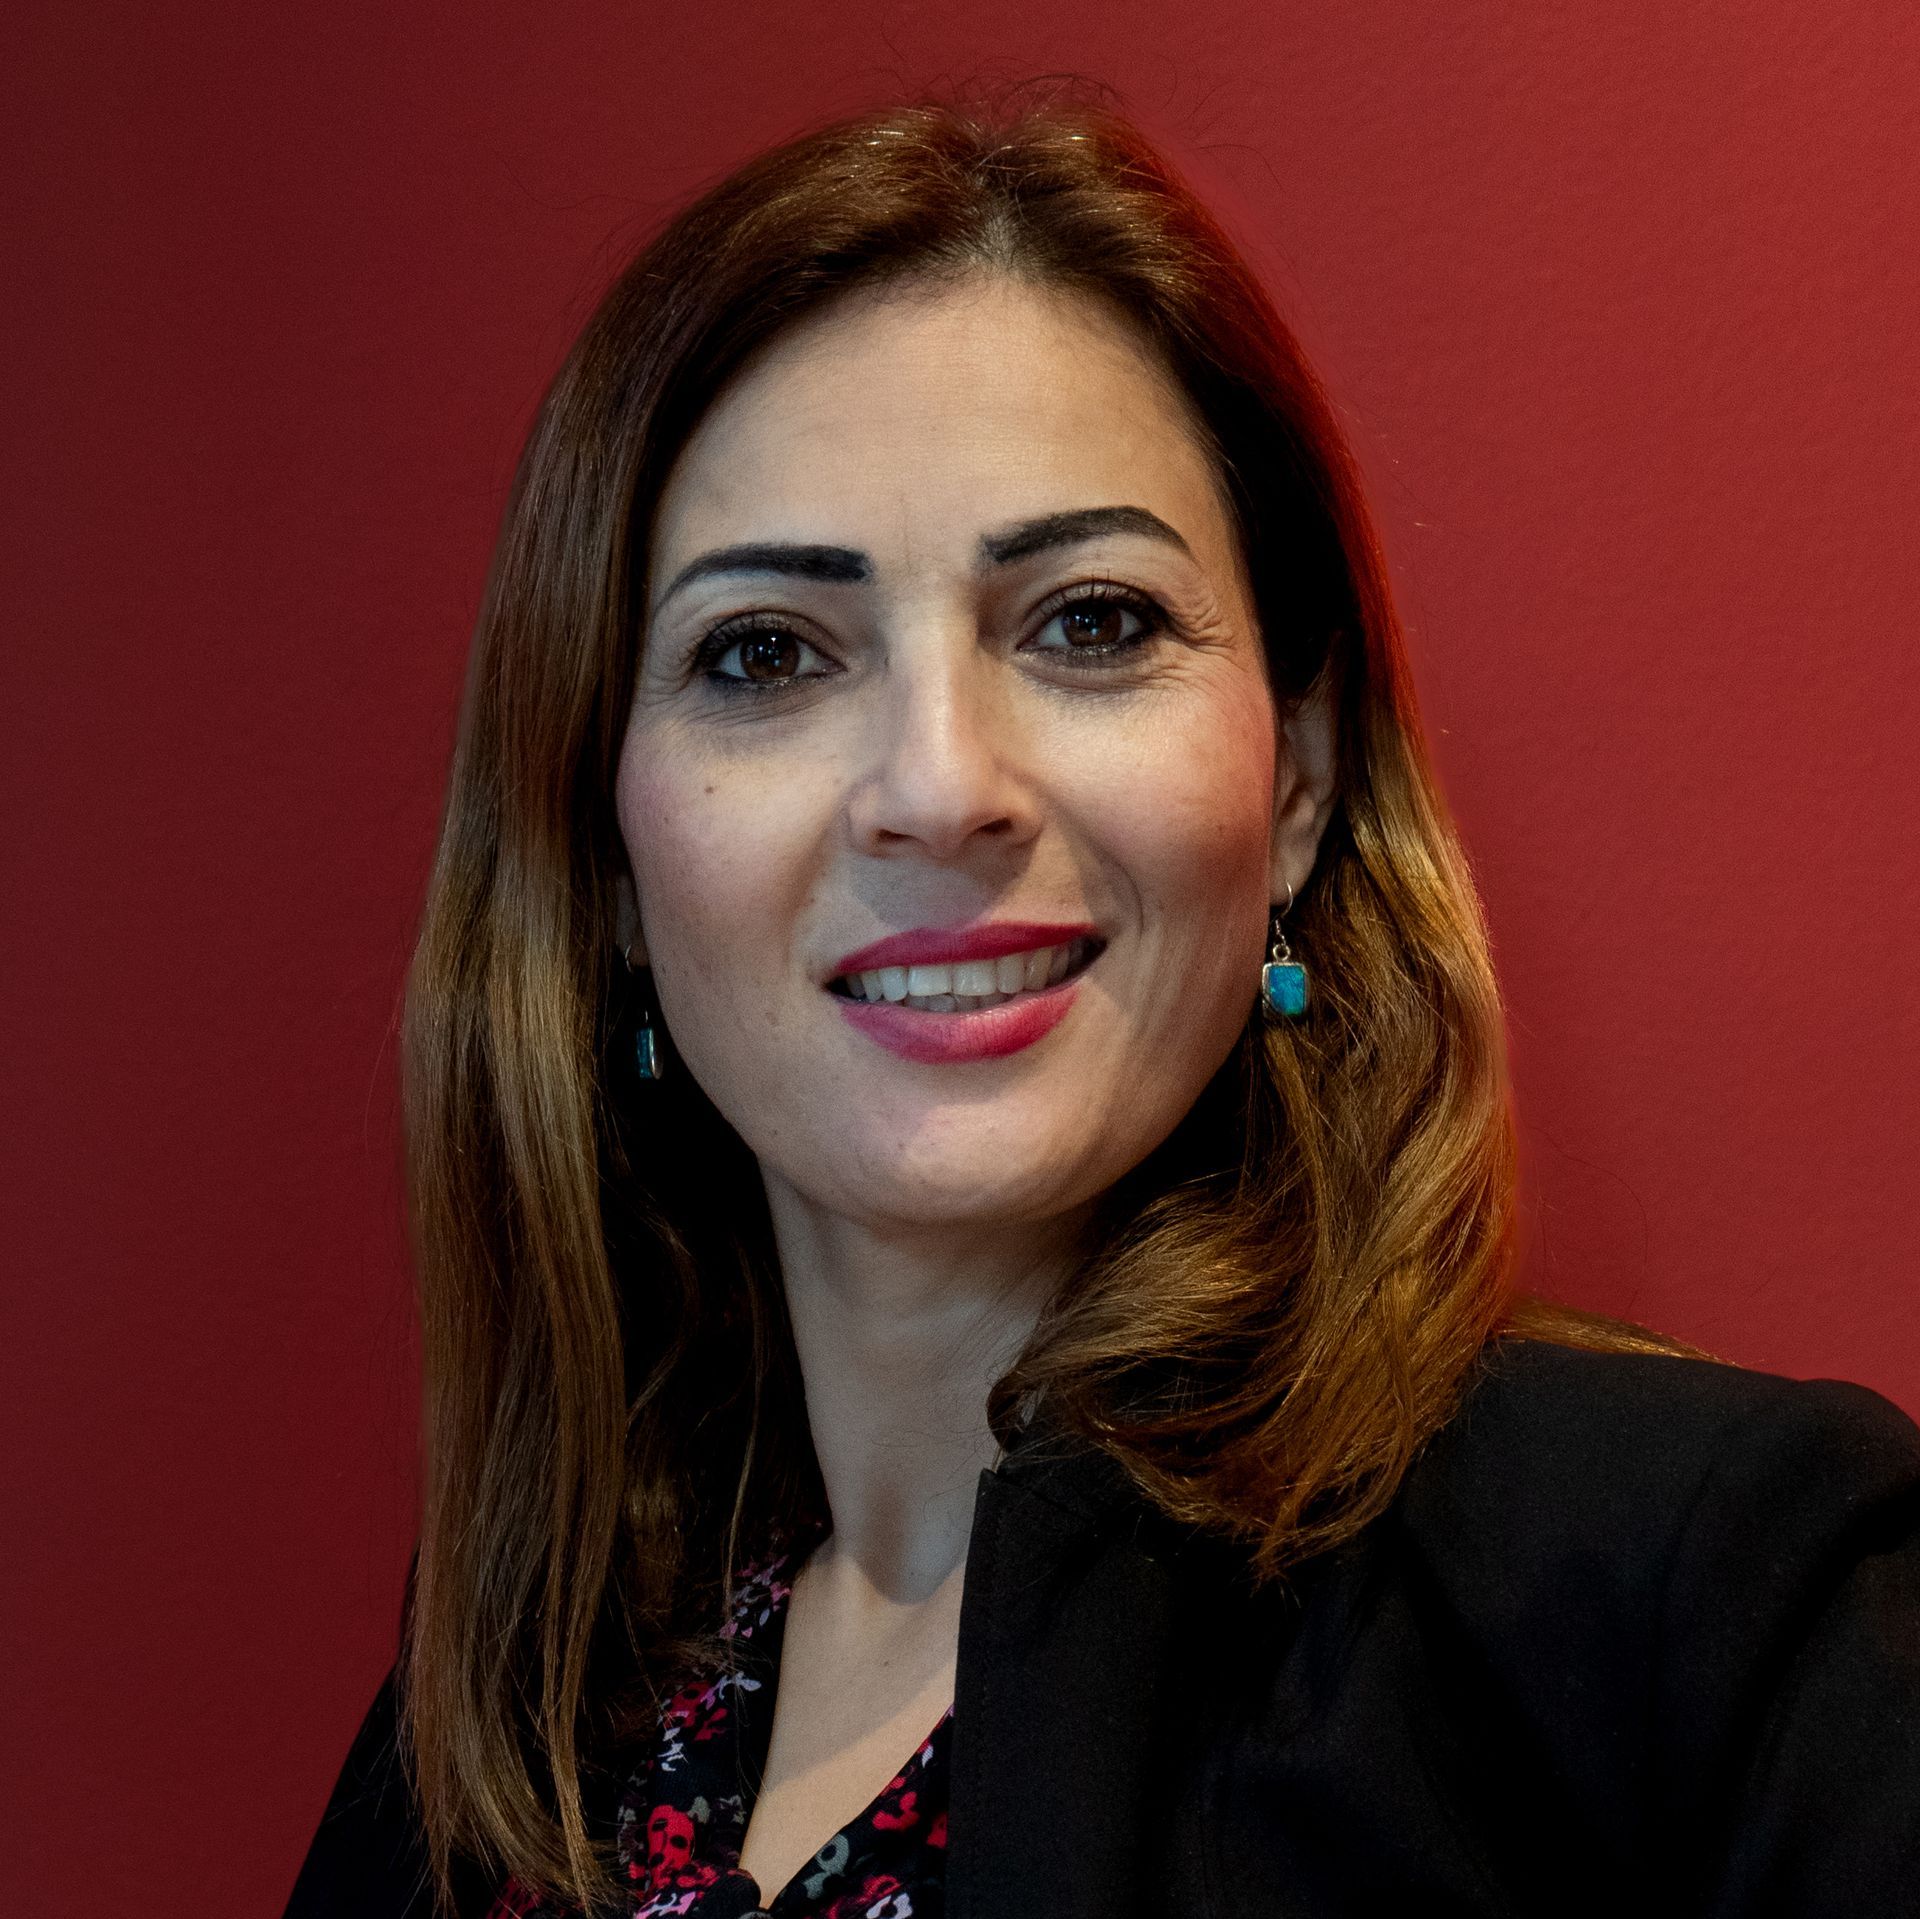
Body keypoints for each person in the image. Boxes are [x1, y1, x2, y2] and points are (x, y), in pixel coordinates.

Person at [284, 96, 1920, 1919]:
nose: (942, 785)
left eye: (1089, 623)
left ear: (1295, 777)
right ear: (609, 869)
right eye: (764, 653)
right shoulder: (495, 1740)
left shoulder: (1712, 1605)